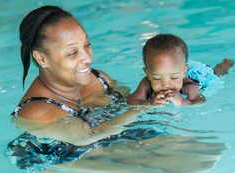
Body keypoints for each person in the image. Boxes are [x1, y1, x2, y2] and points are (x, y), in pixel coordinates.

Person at [11, 5, 143, 145]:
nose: (88, 58)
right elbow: (87, 138)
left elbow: (131, 104)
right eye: (72, 53)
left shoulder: (100, 79)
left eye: (86, 44)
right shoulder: (37, 112)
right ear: (41, 59)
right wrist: (145, 105)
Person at [127, 33, 234, 106]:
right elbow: (131, 102)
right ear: (148, 73)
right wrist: (149, 103)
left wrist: (182, 101)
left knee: (219, 73)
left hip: (199, 75)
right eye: (157, 78)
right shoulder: (146, 83)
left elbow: (199, 102)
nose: (166, 84)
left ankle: (226, 63)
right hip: (175, 66)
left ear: (183, 72)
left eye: (173, 77)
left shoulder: (189, 86)